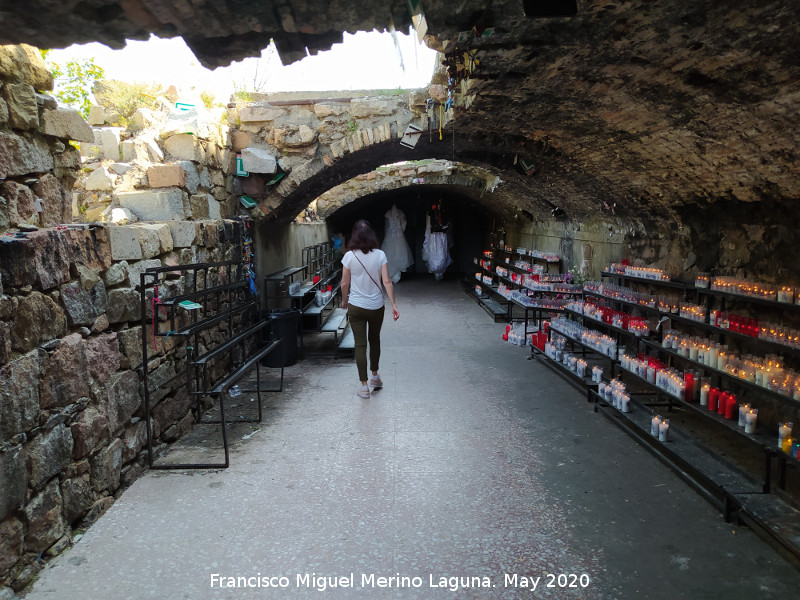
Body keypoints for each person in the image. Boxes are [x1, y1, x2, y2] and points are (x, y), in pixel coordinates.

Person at [340, 220, 400, 399]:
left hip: (356, 306)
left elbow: (344, 283)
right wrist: (394, 304)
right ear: (372, 235)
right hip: (376, 306)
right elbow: (387, 281)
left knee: (360, 344)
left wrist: (344, 301)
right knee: (375, 341)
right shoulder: (380, 255)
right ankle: (375, 377)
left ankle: (364, 386)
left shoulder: (349, 256)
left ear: (354, 236)